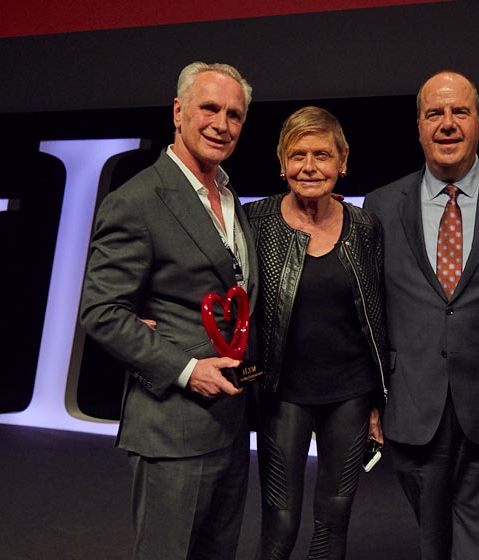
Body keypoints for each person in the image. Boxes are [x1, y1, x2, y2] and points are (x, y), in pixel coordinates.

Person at [78, 61, 258, 560]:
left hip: (229, 422)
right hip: (172, 427)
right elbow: (101, 311)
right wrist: (185, 369)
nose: (222, 124)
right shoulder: (135, 202)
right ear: (178, 112)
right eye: (210, 108)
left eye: (235, 115)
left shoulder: (228, 194)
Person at [362, 70, 479, 560]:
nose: (447, 124)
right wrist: (374, 399)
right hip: (415, 407)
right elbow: (371, 309)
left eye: (459, 112)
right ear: (418, 127)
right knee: (432, 542)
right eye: (434, 113)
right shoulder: (379, 205)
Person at [245, 105, 388, 560]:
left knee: (335, 517)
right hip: (282, 393)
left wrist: (376, 404)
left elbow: (378, 314)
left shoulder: (365, 227)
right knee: (281, 521)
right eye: (298, 155)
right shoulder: (255, 222)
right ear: (282, 162)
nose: (310, 167)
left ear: (343, 160)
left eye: (322, 155)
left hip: (349, 393)